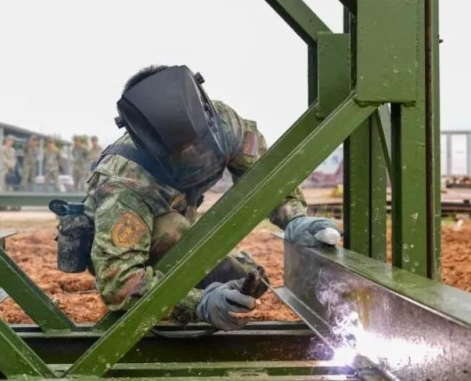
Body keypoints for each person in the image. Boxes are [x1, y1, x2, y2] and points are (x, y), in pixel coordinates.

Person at [60, 65, 341, 332]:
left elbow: (264, 178)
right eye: (181, 153)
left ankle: (203, 278)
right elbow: (119, 282)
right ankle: (176, 292)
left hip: (181, 224)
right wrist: (197, 304)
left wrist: (295, 219)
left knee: (245, 279)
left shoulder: (226, 124)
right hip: (132, 246)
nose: (195, 156)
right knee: (173, 232)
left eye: (198, 144)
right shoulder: (125, 182)